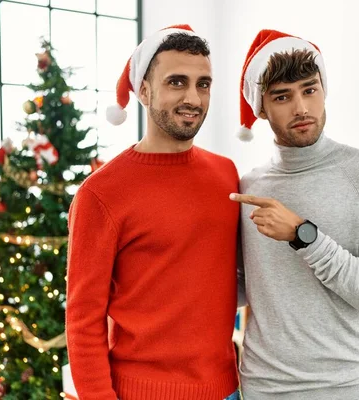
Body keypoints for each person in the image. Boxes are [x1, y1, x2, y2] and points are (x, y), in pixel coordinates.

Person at [230, 29, 359, 400]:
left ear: (323, 90)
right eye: (282, 96)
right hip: (263, 389)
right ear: (260, 108)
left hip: (347, 391)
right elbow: (244, 288)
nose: (301, 108)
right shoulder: (249, 187)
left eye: (310, 90)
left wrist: (303, 235)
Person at [66, 25, 240, 400]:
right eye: (177, 82)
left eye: (203, 84)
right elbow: (83, 320)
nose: (193, 97)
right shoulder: (101, 193)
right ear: (143, 90)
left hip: (227, 389)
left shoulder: (227, 174)